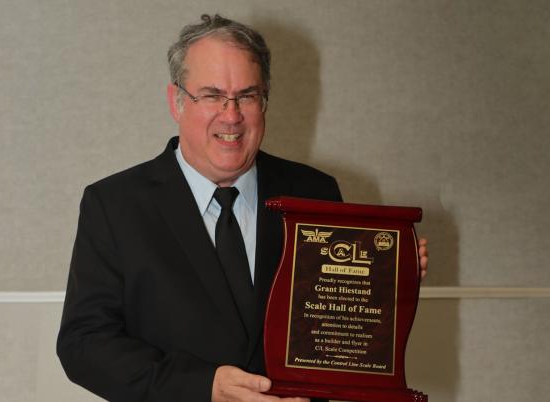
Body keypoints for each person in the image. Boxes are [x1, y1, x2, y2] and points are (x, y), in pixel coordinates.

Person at [57, 14, 429, 402]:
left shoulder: (314, 192)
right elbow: (84, 346)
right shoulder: (114, 205)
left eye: (247, 95)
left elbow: (334, 330)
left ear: (264, 100)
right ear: (177, 102)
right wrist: (204, 386)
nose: (231, 115)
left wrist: (387, 286)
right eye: (213, 95)